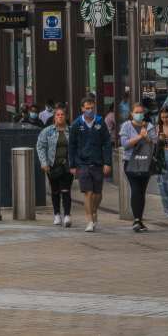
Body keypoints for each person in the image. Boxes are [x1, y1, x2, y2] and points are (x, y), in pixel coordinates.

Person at [68, 96, 113, 233]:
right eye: (87, 108)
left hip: (98, 162)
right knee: (88, 192)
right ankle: (89, 220)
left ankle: (94, 210)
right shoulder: (76, 124)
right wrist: (73, 165)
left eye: (92, 108)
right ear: (82, 109)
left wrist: (107, 162)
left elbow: (106, 143)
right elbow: (72, 145)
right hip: (83, 163)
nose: (89, 110)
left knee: (97, 194)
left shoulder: (100, 122)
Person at [120, 102, 158, 232]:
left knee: (142, 191)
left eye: (141, 112)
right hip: (130, 162)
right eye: (136, 112)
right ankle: (136, 220)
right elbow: (125, 144)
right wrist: (139, 137)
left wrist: (146, 137)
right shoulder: (126, 126)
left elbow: (154, 143)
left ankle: (139, 219)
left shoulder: (149, 126)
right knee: (135, 188)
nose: (139, 114)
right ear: (131, 113)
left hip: (145, 162)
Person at [36, 106, 73, 227]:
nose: (60, 117)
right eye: (58, 115)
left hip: (67, 166)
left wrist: (76, 164)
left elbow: (76, 148)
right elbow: (40, 146)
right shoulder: (48, 131)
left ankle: (67, 215)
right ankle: (57, 214)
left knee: (66, 190)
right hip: (52, 166)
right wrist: (44, 162)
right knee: (55, 191)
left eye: (62, 114)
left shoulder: (71, 131)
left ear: (66, 117)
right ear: (54, 117)